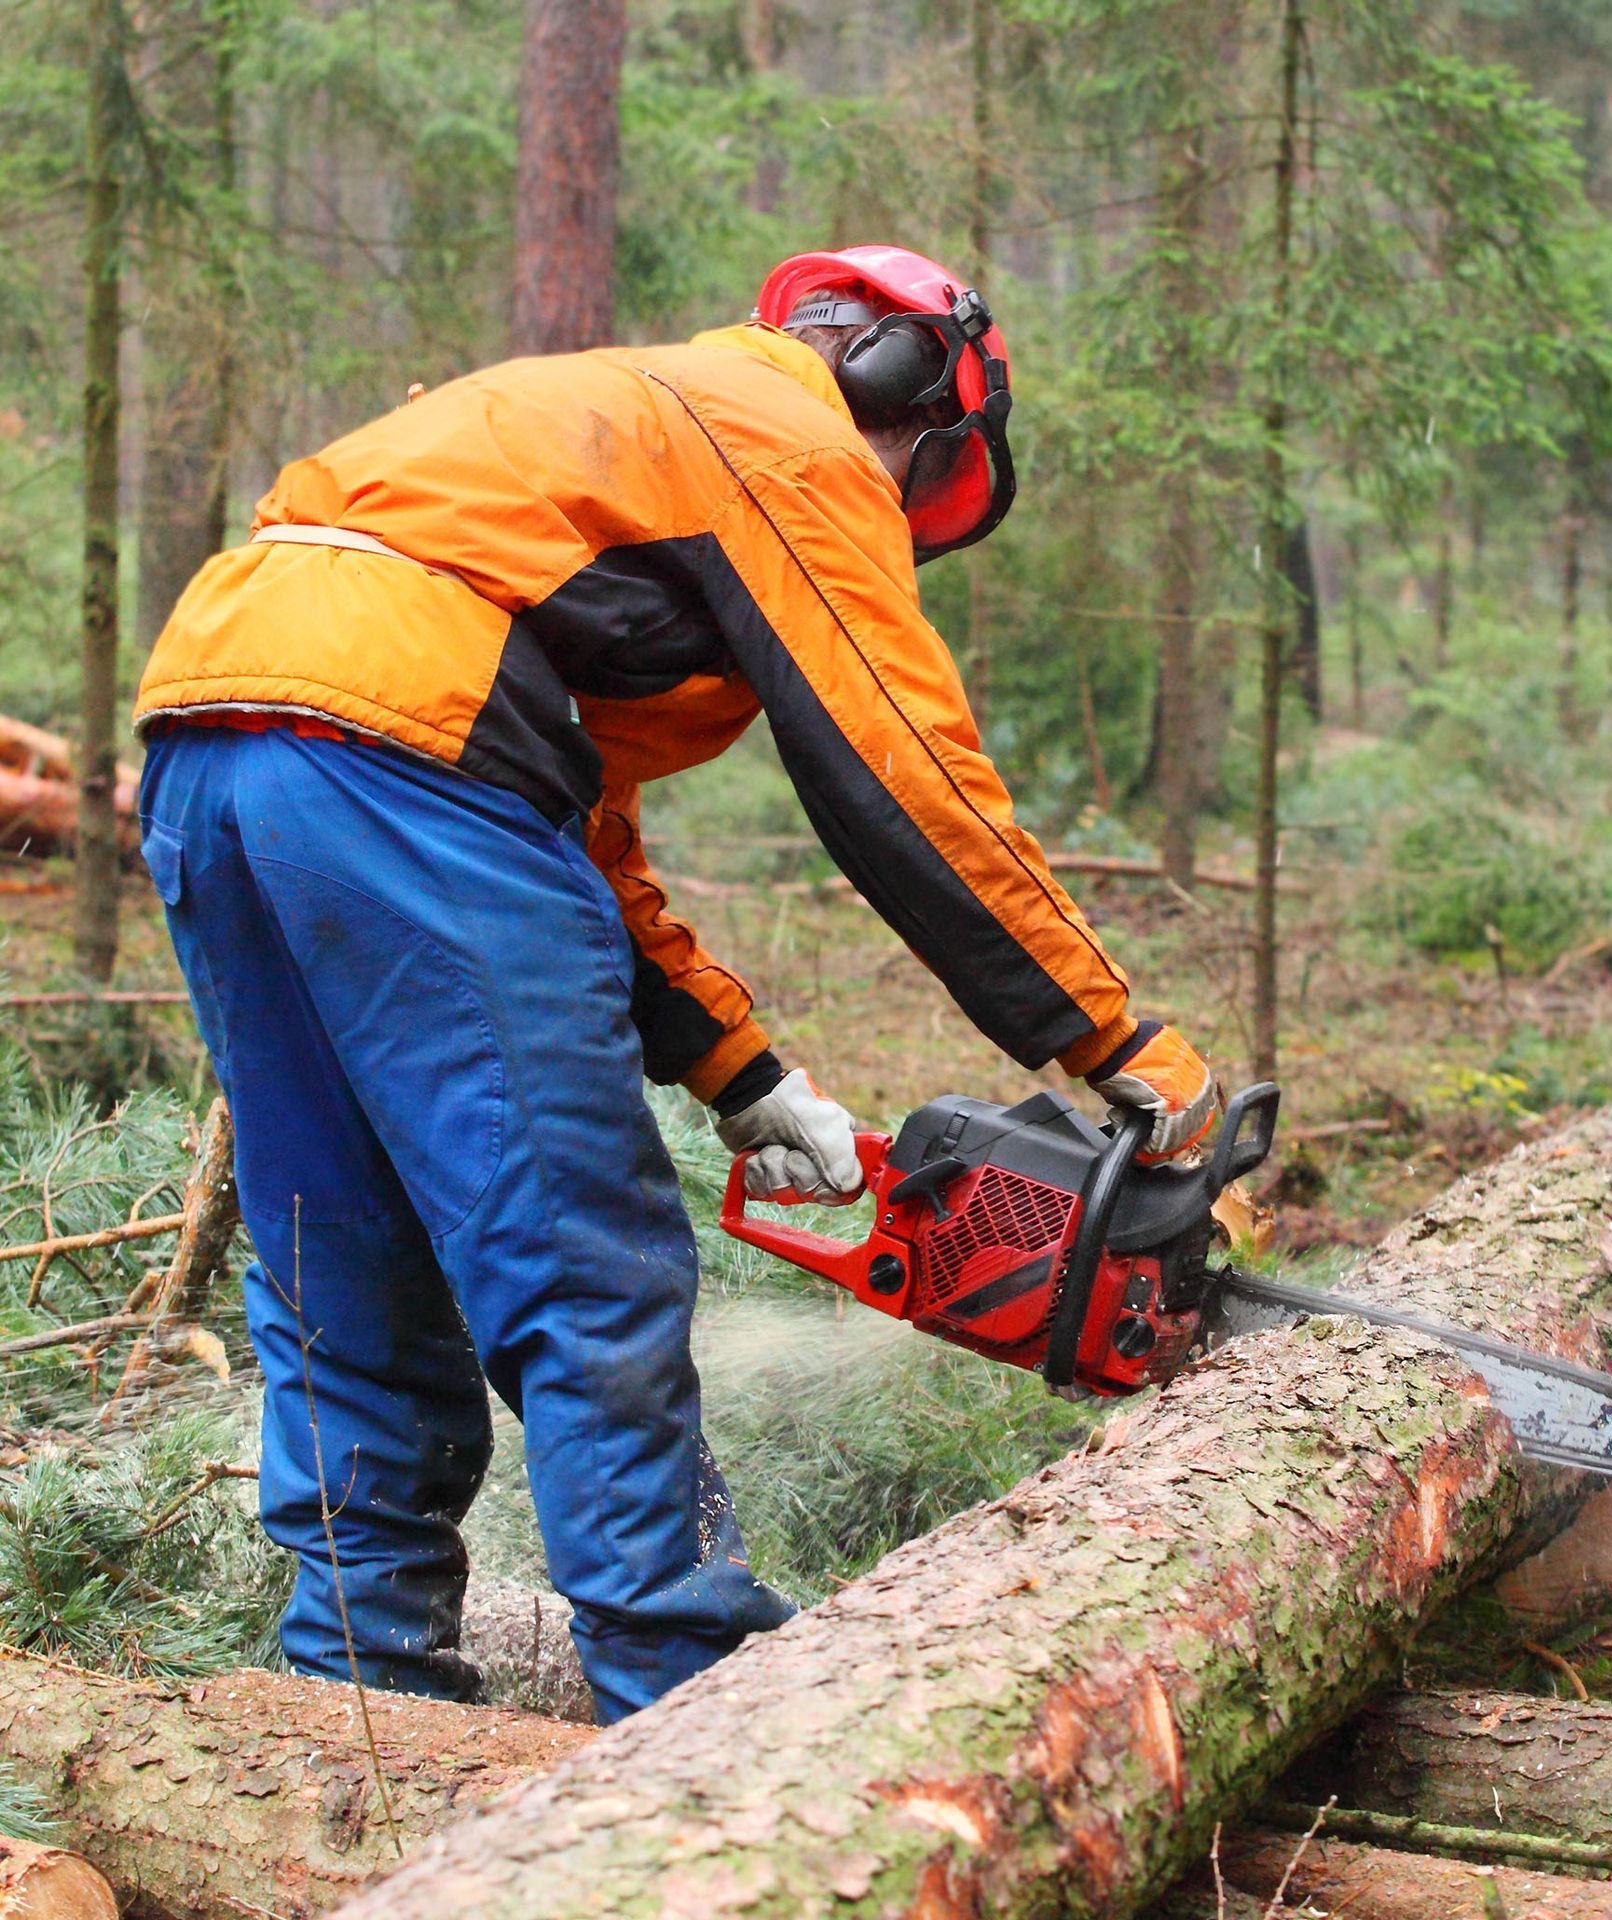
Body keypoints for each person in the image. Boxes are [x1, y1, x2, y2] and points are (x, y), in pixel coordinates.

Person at [132, 243, 1218, 1723]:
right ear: (912, 390)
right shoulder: (793, 437)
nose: (898, 507)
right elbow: (902, 773)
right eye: (921, 472)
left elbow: (574, 835)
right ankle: (689, 1696)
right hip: (404, 768)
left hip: (215, 731)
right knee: (583, 1256)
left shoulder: (619, 433)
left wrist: (746, 1073)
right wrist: (1117, 1039)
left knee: (341, 1247)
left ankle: (359, 1702)